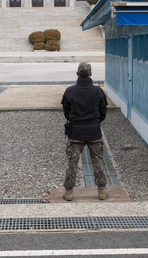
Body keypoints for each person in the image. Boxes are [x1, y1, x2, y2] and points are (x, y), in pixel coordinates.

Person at [61, 62, 108, 201]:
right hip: (94, 132)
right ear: (91, 74)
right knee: (98, 161)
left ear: (77, 74)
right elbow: (103, 113)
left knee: (72, 162)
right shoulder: (98, 91)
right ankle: (102, 190)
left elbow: (67, 113)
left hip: (76, 133)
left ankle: (69, 191)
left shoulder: (69, 91)